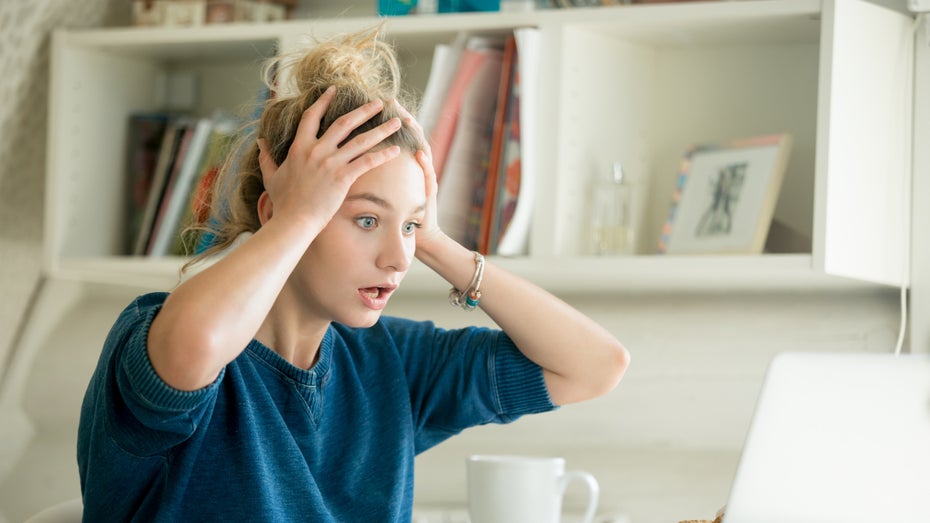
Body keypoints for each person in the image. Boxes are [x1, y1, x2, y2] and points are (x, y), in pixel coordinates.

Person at [77, 25, 629, 522]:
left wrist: (434, 241)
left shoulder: (391, 362)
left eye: (408, 229)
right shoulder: (155, 332)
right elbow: (197, 346)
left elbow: (595, 366)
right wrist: (299, 218)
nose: (398, 258)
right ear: (279, 213)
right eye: (365, 219)